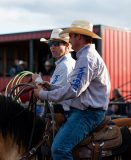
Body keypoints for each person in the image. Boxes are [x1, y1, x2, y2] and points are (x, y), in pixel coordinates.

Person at [34, 20, 111, 160]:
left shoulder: (86, 58)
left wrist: (43, 94)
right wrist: (51, 87)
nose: (69, 39)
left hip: (87, 114)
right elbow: (75, 88)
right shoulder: (84, 56)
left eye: (71, 35)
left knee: (59, 150)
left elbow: (73, 91)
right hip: (85, 111)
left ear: (79, 37)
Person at [34, 28, 76, 113]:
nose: (52, 46)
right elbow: (62, 89)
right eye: (51, 43)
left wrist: (37, 83)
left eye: (56, 43)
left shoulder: (64, 65)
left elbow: (58, 95)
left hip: (64, 112)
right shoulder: (69, 62)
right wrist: (50, 86)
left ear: (67, 46)